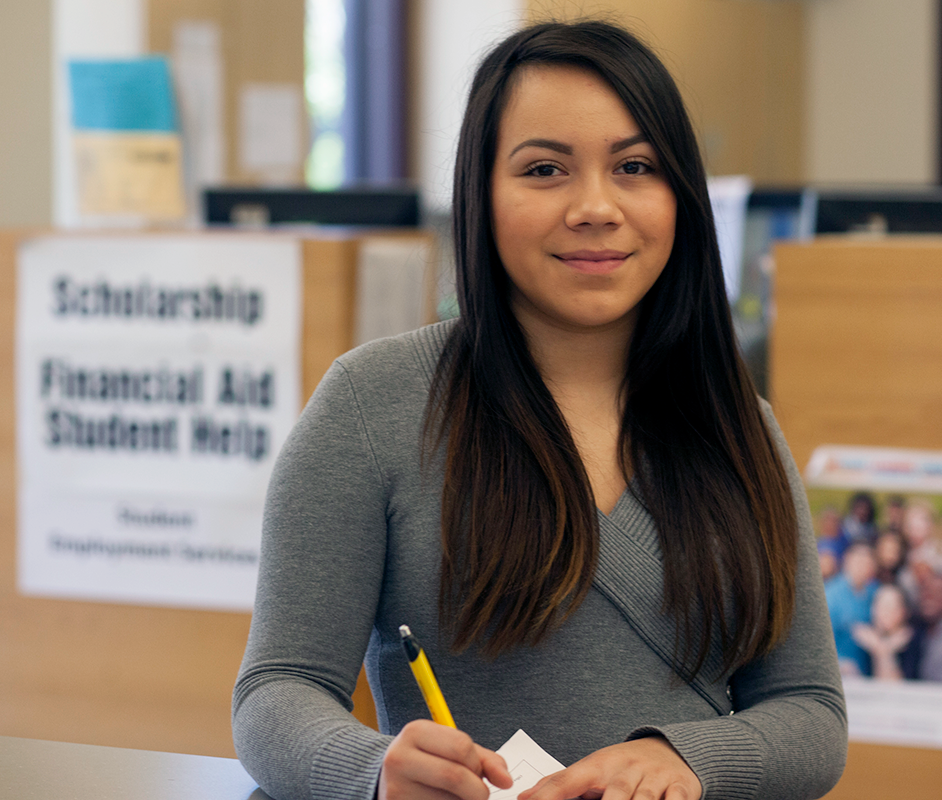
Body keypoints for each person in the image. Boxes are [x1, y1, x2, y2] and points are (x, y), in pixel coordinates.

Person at [231, 19, 846, 800]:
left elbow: (812, 713)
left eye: (634, 166)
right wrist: (372, 772)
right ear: (480, 194)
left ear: (679, 196)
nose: (596, 207)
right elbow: (276, 692)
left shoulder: (737, 422)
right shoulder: (371, 404)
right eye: (546, 169)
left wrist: (686, 760)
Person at [824, 542, 879, 676]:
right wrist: (840, 663)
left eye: (867, 562)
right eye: (859, 560)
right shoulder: (831, 595)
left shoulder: (875, 592)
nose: (862, 566)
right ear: (847, 560)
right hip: (841, 675)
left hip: (870, 675)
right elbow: (820, 641)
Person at [850, 584, 914, 681]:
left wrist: (883, 652)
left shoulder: (911, 642)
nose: (886, 612)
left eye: (892, 607)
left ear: (903, 611)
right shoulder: (861, 639)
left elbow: (893, 688)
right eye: (881, 606)